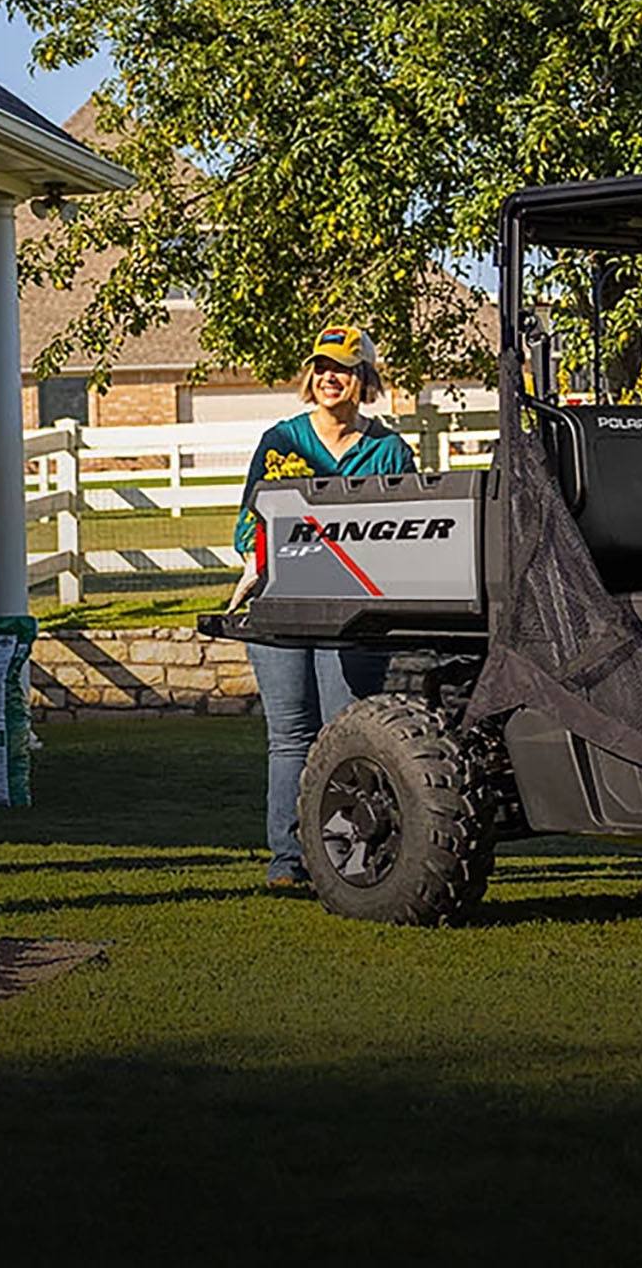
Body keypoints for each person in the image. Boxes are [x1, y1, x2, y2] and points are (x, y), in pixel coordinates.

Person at [233, 325, 417, 888]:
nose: (329, 377)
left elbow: (408, 529)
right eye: (320, 367)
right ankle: (288, 861)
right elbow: (249, 521)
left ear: (364, 378)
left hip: (354, 613)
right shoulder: (281, 441)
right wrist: (252, 561)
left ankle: (343, 858)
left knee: (346, 735)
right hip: (280, 606)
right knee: (290, 737)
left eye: (341, 368)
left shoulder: (388, 450)